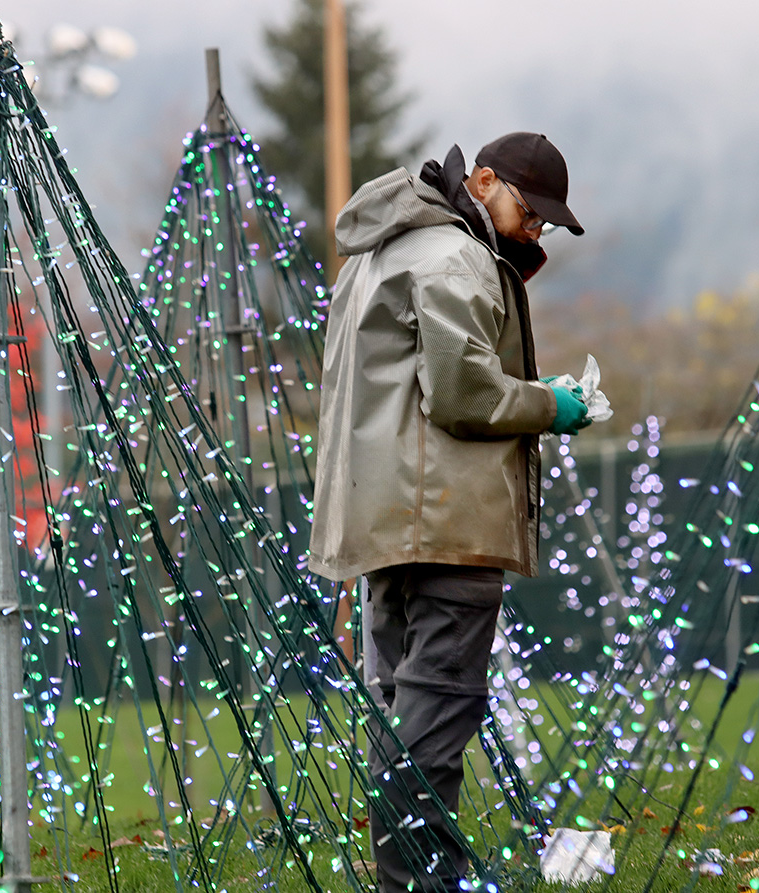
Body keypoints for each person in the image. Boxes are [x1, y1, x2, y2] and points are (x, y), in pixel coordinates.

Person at [308, 132, 590, 893]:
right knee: (436, 718)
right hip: (447, 521)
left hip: (382, 518)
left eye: (545, 228)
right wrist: (552, 405)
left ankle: (409, 878)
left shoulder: (380, 252)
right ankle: (426, 882)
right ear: (485, 180)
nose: (536, 233)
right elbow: (464, 394)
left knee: (399, 711)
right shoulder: (455, 255)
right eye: (531, 215)